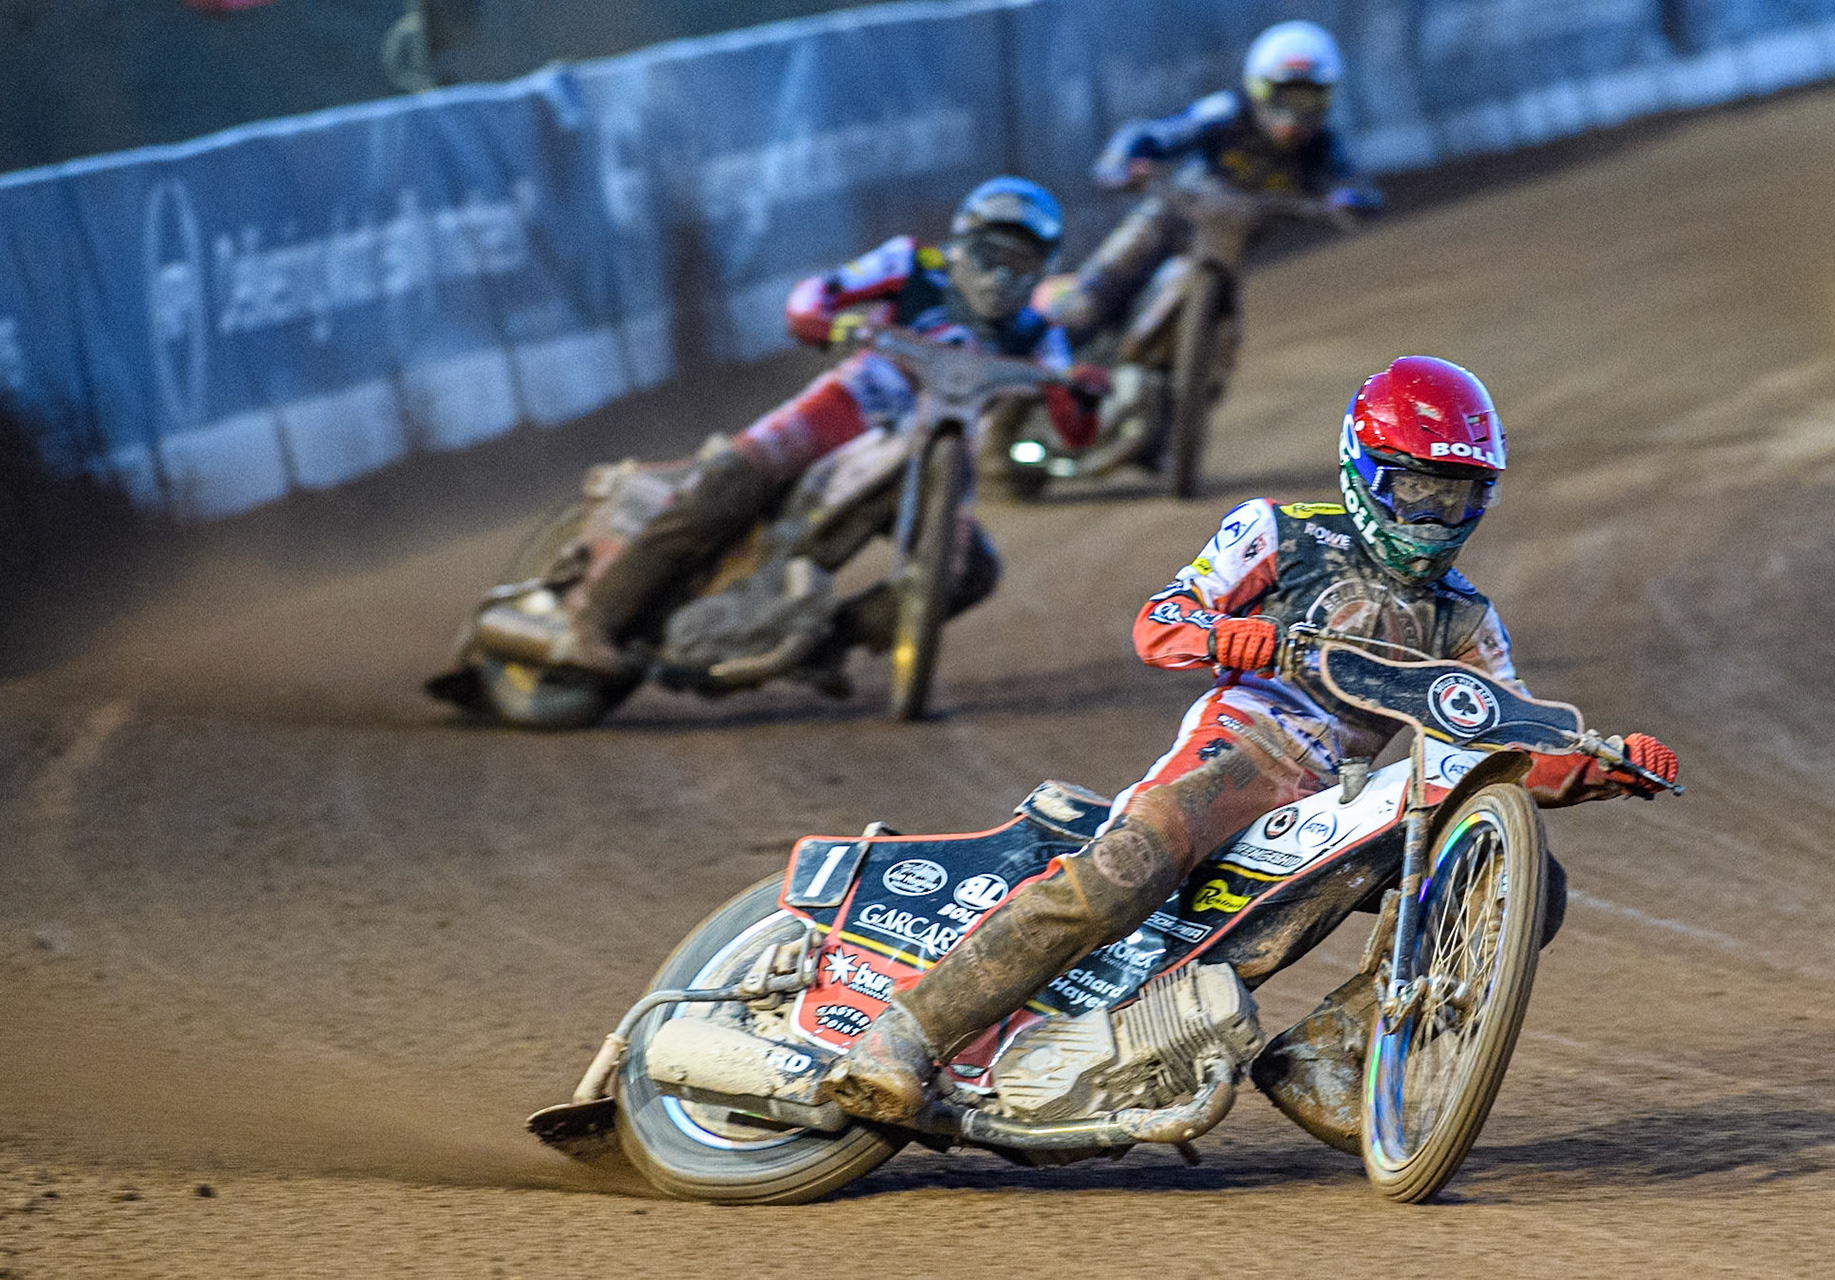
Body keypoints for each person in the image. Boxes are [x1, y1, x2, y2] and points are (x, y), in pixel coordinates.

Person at [822, 355, 1681, 1126]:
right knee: (1136, 859)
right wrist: (1226, 637)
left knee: (1531, 887)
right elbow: (1160, 621)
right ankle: (902, 1035)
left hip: (1344, 799)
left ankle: (1326, 1053)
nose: (1432, 513)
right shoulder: (1279, 531)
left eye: (1454, 495)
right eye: (1415, 488)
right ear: (1364, 471)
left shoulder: (1467, 617)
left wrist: (1607, 767)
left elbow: (1507, 732)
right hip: (1242, 749)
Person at [470, 177, 1106, 684]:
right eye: (993, 256)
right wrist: (826, 324)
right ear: (965, 243)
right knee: (731, 479)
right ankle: (596, 619)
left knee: (972, 571)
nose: (1002, 277)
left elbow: (1072, 432)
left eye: (1022, 265)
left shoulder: (1038, 333)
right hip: (848, 407)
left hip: (936, 455)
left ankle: (827, 643)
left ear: (1042, 269)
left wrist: (1086, 395)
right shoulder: (913, 264)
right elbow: (815, 296)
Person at [1044, 19, 1382, 344]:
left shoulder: (1322, 145)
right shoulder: (1226, 112)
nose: (1294, 114)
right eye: (1286, 96)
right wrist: (1121, 162)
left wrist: (1350, 201)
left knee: (1226, 339)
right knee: (1090, 301)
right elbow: (1155, 134)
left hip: (1227, 250)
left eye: (1307, 99)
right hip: (1175, 216)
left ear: (1325, 98)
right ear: (1260, 87)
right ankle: (1047, 345)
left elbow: (1354, 184)